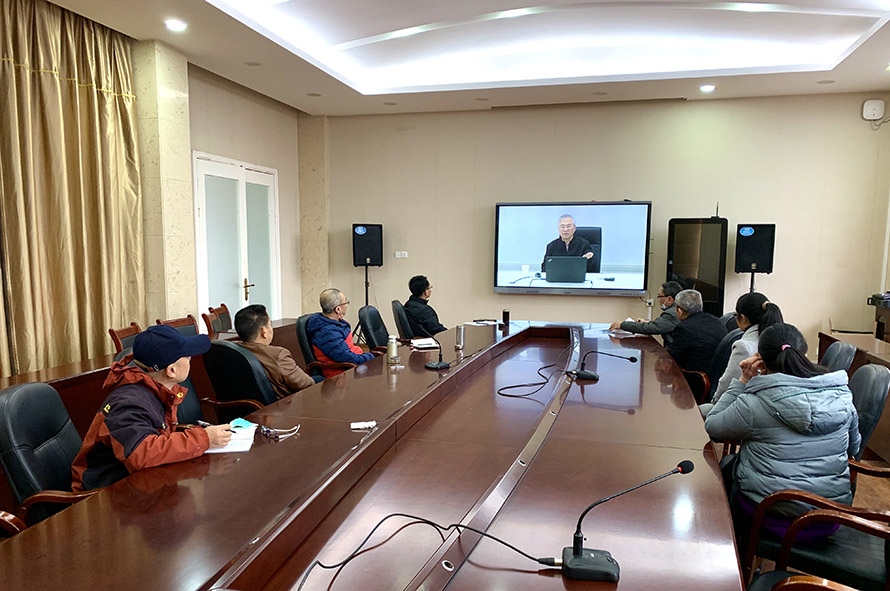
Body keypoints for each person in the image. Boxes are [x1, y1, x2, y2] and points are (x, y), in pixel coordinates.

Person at [704, 323, 859, 552]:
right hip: (830, 516)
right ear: (804, 353)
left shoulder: (756, 402)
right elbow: (854, 447)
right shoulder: (840, 395)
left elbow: (713, 426)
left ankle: (734, 553)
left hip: (772, 515)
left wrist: (743, 380)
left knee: (728, 471)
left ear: (761, 361)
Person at [71, 324, 232, 491]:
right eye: (187, 357)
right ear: (171, 370)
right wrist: (203, 439)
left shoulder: (157, 390)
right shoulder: (128, 403)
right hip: (104, 494)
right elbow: (141, 453)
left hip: (139, 483)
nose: (191, 358)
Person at [700, 293, 783, 415]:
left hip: (742, 407)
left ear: (743, 318)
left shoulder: (743, 346)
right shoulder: (781, 338)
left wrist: (715, 403)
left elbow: (727, 384)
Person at [235, 304, 317, 398]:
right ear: (264, 332)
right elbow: (307, 384)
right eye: (270, 325)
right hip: (283, 404)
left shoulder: (231, 350)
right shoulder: (277, 356)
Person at [306, 288, 377, 378]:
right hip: (341, 375)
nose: (347, 304)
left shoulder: (333, 322)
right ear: (338, 309)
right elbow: (347, 358)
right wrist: (371, 357)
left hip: (351, 365)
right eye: (345, 302)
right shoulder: (328, 333)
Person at [664, 289, 727, 373]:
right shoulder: (717, 321)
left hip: (696, 376)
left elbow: (673, 356)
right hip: (717, 374)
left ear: (679, 311)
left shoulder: (684, 328)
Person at [610, 281, 682, 342]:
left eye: (659, 296)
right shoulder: (677, 309)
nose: (658, 300)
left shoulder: (672, 313)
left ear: (669, 299)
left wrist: (622, 324)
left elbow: (653, 328)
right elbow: (660, 325)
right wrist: (647, 323)